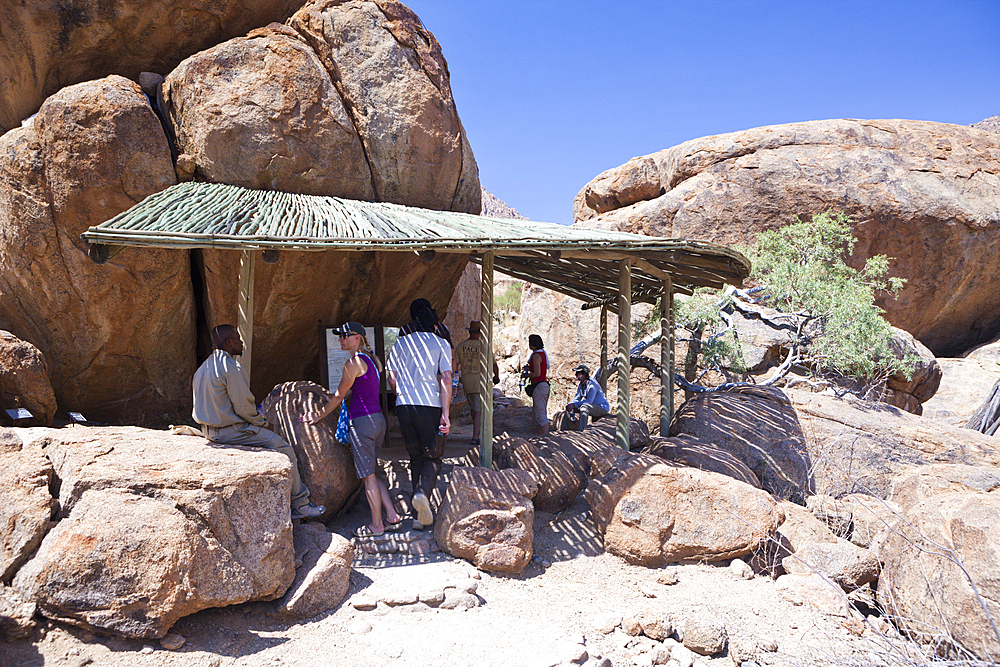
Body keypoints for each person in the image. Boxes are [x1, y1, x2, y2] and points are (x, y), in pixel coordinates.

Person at [192, 324, 324, 520]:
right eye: (237, 338)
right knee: (285, 447)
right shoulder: (230, 367)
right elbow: (244, 407)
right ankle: (301, 503)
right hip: (230, 432)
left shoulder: (204, 367)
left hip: (209, 431)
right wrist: (262, 423)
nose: (241, 341)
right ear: (229, 342)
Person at [301, 322, 401, 538]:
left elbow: (339, 396)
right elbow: (357, 390)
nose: (340, 339)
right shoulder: (373, 360)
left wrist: (317, 415)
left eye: (345, 335)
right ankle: (391, 515)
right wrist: (336, 397)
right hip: (377, 420)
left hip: (362, 423)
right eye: (340, 336)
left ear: (358, 338)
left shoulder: (353, 363)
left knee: (367, 477)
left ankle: (376, 525)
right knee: (372, 472)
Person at [387, 305, 453, 530]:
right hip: (429, 406)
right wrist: (445, 413)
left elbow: (392, 377)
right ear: (434, 322)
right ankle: (423, 494)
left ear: (413, 319)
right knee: (433, 456)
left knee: (415, 457)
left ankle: (418, 516)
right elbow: (445, 378)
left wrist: (400, 398)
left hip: (404, 405)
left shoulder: (401, 342)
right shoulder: (441, 343)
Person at [453, 320, 500, 447]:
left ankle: (476, 430)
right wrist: (497, 376)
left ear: (470, 331)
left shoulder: (461, 346)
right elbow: (494, 365)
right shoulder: (484, 347)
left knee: (473, 407)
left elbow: (455, 364)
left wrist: (455, 379)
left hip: (467, 380)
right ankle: (475, 437)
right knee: (479, 409)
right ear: (480, 333)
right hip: (481, 380)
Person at [565, 364, 610, 430]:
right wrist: (571, 404)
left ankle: (581, 431)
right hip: (591, 406)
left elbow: (589, 401)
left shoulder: (592, 385)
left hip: (601, 407)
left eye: (578, 373)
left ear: (585, 374)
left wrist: (574, 405)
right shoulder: (581, 384)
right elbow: (577, 397)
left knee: (584, 408)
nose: (576, 375)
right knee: (569, 408)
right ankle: (565, 430)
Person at [524, 334, 550, 435]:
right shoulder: (541, 353)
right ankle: (540, 436)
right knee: (537, 414)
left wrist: (526, 375)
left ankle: (545, 437)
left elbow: (537, 373)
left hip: (539, 386)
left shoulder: (536, 356)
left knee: (540, 415)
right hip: (542, 386)